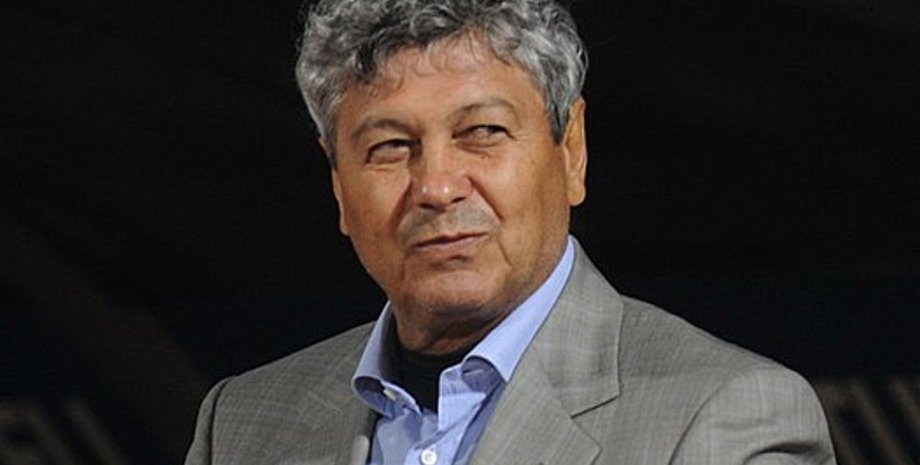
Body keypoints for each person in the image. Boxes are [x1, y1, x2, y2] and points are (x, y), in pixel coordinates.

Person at [185, 0, 837, 463]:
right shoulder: (241, 425)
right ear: (338, 187)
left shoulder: (724, 418)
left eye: (482, 132)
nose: (437, 186)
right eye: (390, 146)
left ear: (572, 150)